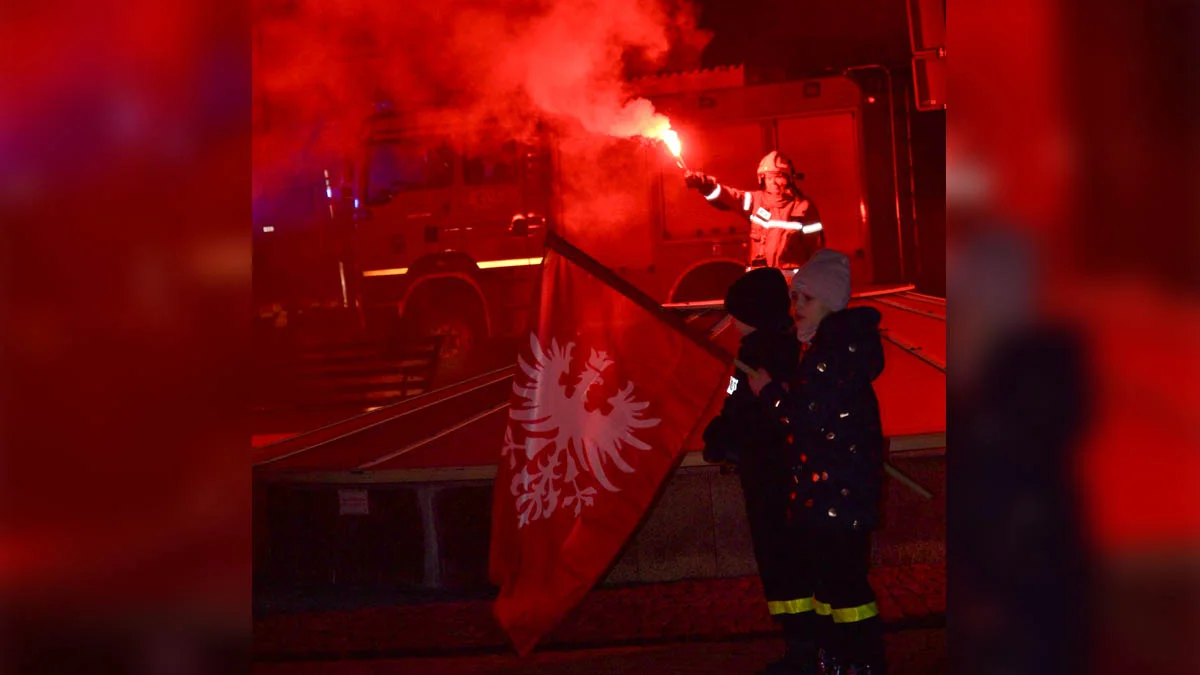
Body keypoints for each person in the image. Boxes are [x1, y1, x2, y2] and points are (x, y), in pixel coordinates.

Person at [748, 249, 888, 675]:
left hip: (835, 502)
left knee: (845, 590)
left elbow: (807, 418)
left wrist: (768, 393)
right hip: (828, 499)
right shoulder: (827, 352)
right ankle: (840, 659)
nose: (795, 311)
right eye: (794, 300)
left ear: (830, 301)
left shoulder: (831, 356)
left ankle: (860, 662)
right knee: (832, 588)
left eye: (804, 300)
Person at [700, 267, 810, 674]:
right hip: (775, 469)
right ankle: (802, 644)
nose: (731, 321)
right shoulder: (777, 348)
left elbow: (739, 403)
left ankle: (801, 646)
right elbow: (736, 397)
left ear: (752, 312)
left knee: (780, 556)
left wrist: (721, 433)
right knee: (786, 557)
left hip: (770, 474)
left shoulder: (759, 354)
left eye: (737, 313)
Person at [684, 151, 824, 270]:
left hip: (790, 288)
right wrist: (705, 185)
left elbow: (816, 250)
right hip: (759, 286)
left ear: (789, 178)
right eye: (769, 177)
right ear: (762, 179)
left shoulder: (804, 207)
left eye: (779, 177)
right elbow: (728, 196)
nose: (773, 182)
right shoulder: (755, 201)